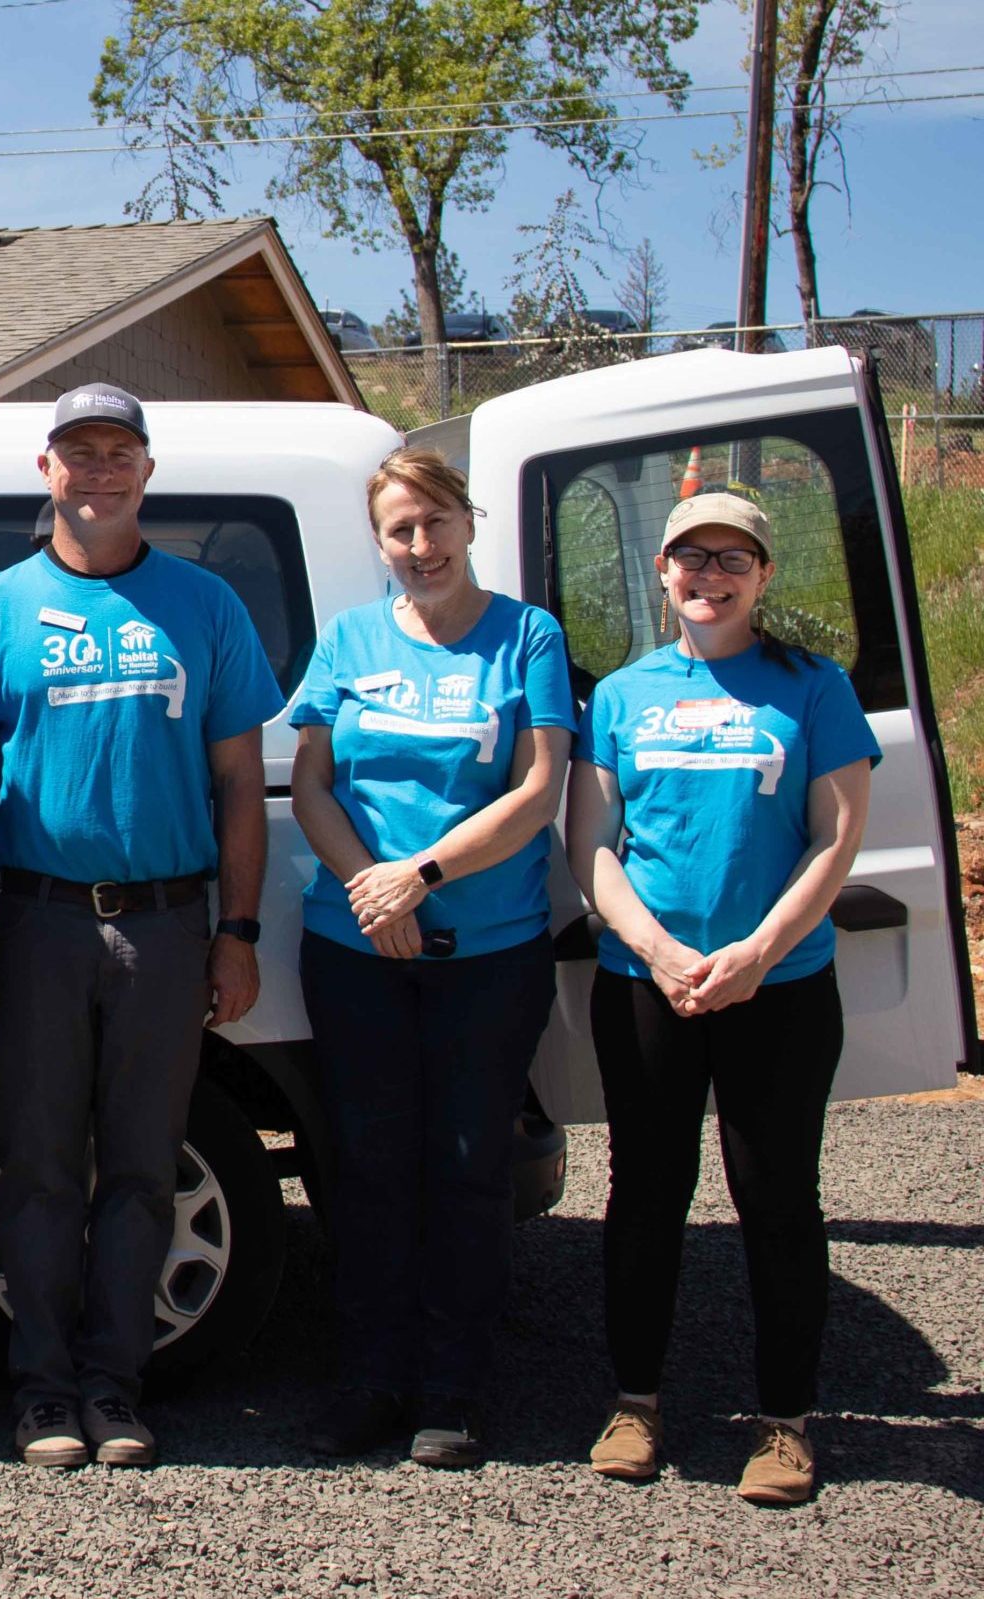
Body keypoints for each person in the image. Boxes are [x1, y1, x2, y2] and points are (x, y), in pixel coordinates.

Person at [0, 382, 283, 1470]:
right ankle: (42, 1391)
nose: (96, 471)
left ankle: (116, 1386)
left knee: (141, 1166)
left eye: (116, 451)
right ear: (44, 471)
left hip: (170, 926)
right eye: (75, 452)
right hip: (38, 922)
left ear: (145, 469)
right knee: (36, 1168)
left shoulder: (205, 605)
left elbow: (237, 783)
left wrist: (238, 930)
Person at [566, 492, 877, 1507]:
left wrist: (754, 951)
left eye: (731, 558)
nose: (709, 575)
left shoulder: (812, 687)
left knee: (777, 1201)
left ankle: (784, 1426)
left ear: (762, 576)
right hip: (647, 986)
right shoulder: (618, 695)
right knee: (646, 1198)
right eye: (689, 558)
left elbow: (835, 839)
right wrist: (654, 950)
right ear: (661, 573)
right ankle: (634, 1406)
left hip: (777, 987)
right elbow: (591, 846)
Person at [287, 448, 576, 1468]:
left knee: (465, 1169)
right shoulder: (351, 639)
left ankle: (452, 1389)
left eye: (434, 524)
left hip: (486, 955)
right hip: (355, 946)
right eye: (399, 531)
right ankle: (368, 1379)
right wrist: (371, 887)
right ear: (378, 542)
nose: (420, 547)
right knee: (366, 1171)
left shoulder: (526, 637)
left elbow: (539, 792)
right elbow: (311, 782)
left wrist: (422, 875)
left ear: (466, 522)